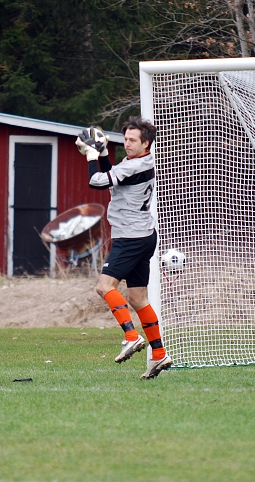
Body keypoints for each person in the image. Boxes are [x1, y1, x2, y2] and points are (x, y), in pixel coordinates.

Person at [76, 117, 173, 379]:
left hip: (130, 238)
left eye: (132, 140)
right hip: (144, 236)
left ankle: (131, 336)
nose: (127, 144)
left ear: (146, 143)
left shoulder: (135, 166)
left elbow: (97, 181)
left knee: (104, 287)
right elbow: (113, 180)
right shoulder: (140, 162)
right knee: (138, 298)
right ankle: (159, 354)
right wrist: (105, 152)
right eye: (126, 139)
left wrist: (90, 154)